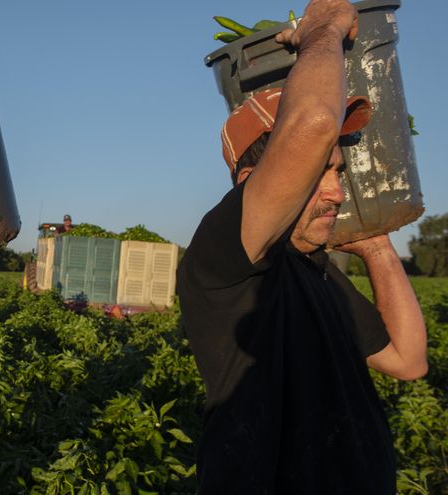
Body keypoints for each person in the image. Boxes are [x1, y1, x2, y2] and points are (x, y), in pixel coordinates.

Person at [176, 0, 428, 493]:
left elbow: (408, 360)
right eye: (319, 173)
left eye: (338, 171)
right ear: (252, 180)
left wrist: (376, 246)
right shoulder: (226, 255)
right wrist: (321, 32)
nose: (336, 190)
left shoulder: (319, 273)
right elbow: (312, 123)